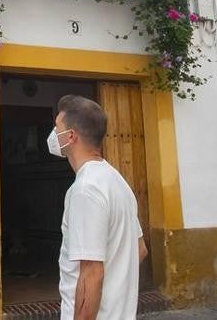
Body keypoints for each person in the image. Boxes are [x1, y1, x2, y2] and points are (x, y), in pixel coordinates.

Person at [49, 94, 147, 320]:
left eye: (57, 128)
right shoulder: (116, 180)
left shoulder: (85, 190)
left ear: (71, 136)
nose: (54, 135)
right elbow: (139, 249)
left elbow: (92, 272)